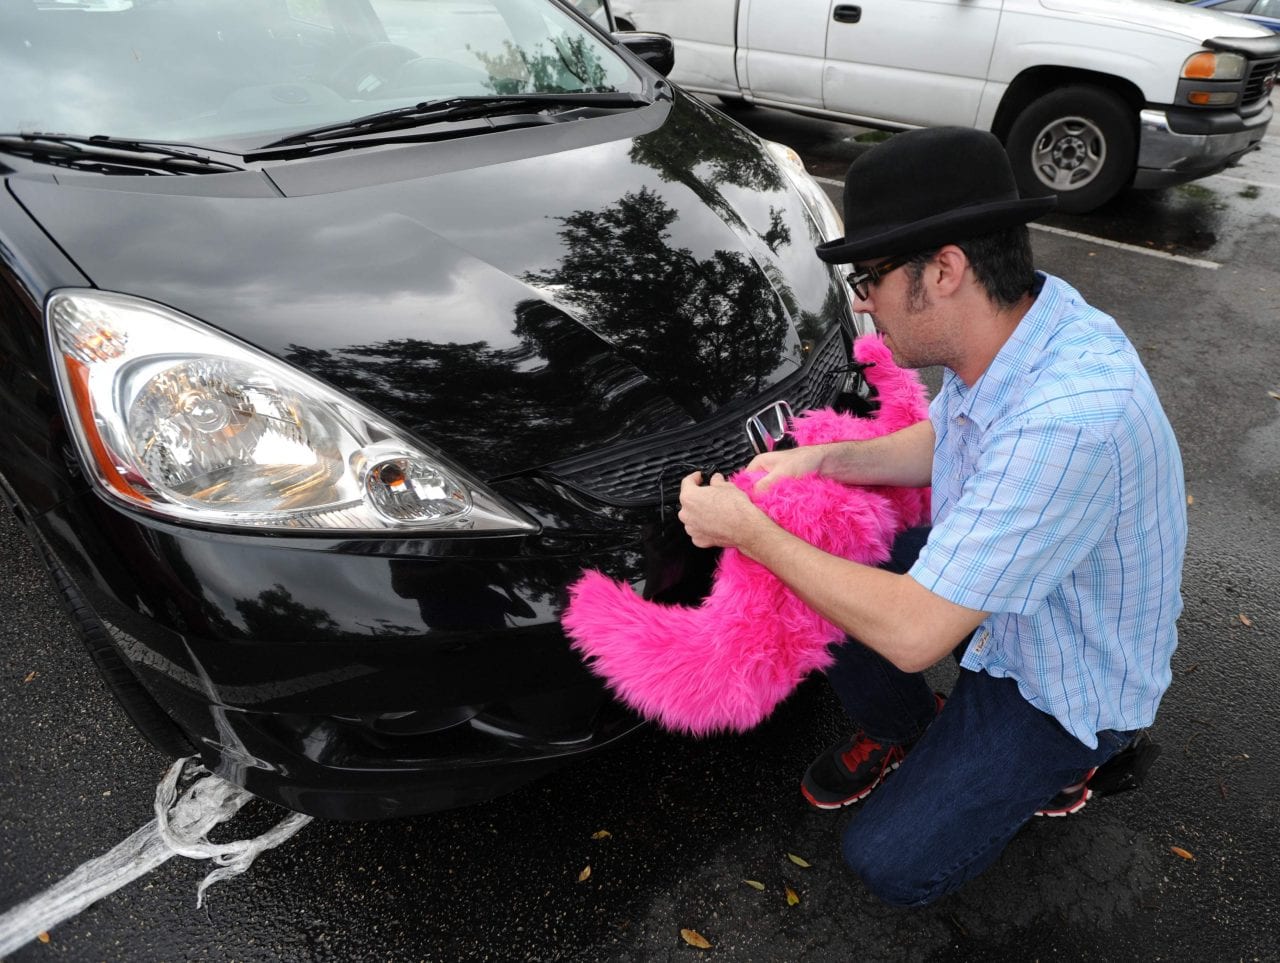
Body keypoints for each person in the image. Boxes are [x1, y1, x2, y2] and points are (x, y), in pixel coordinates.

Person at [676, 126, 1187, 907]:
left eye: (871, 276)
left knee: (889, 859)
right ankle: (904, 728)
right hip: (1012, 592)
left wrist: (749, 529)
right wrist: (821, 461)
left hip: (1063, 677)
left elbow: (915, 633)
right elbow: (948, 436)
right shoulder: (1025, 325)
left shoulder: (1069, 420)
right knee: (826, 538)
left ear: (945, 270)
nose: (861, 299)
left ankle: (1074, 759)